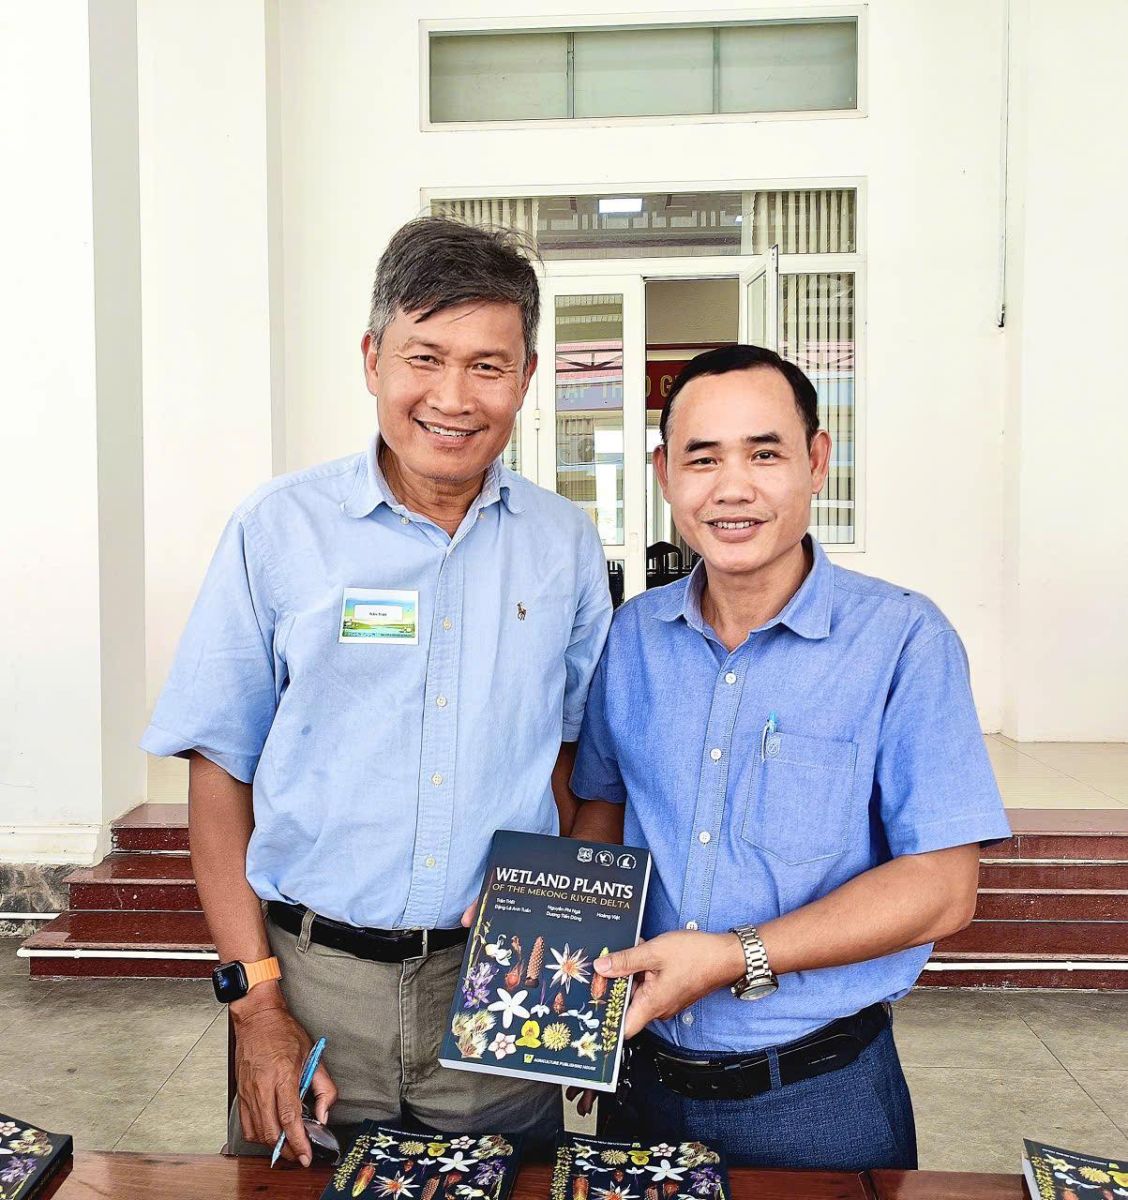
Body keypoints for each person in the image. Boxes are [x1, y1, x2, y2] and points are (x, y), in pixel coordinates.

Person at [141, 218, 612, 1163]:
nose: (453, 398)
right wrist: (256, 1005)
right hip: (310, 984)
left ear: (526, 377)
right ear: (371, 359)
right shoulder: (278, 531)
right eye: (423, 357)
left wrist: (550, 918)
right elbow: (219, 772)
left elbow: (583, 765)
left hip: (494, 982)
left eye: (488, 366)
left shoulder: (563, 544)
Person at [569, 345, 1010, 1170]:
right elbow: (601, 811)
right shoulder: (633, 639)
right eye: (703, 459)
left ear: (816, 461)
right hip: (640, 1083)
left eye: (764, 454)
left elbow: (944, 889)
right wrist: (566, 986)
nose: (732, 488)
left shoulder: (903, 641)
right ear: (665, 475)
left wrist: (734, 956)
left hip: (818, 1097)